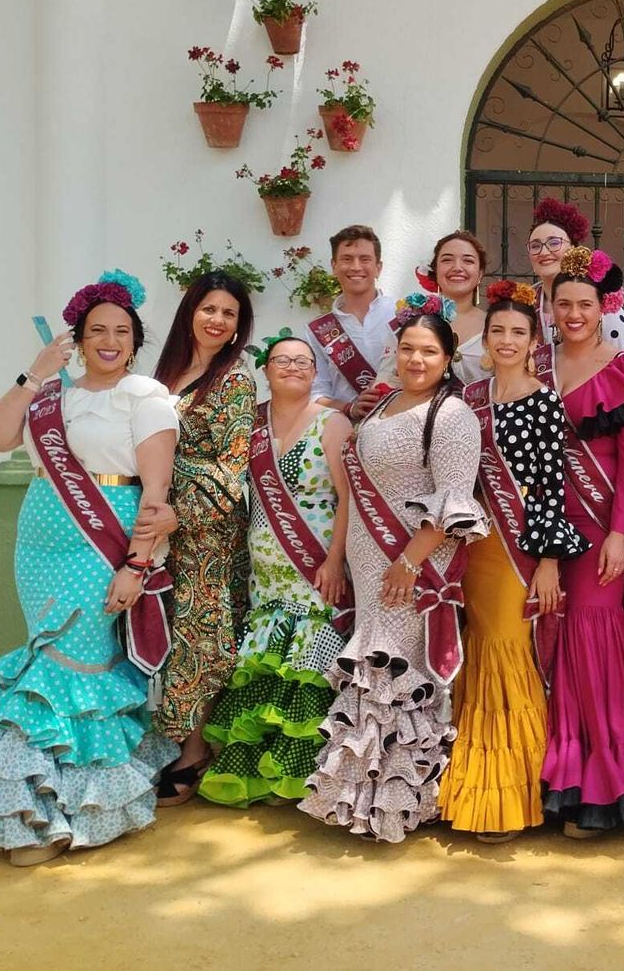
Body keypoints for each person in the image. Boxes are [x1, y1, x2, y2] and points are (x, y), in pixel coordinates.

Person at [0, 270, 179, 865]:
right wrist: (34, 373)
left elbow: (156, 491)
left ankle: (71, 810)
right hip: (39, 537)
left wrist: (135, 565)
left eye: (122, 331)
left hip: (101, 538)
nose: (110, 340)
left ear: (136, 341)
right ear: (77, 338)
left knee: (72, 660)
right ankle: (38, 803)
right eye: (97, 330)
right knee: (41, 653)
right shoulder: (54, 393)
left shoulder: (146, 395)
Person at [300, 296, 489, 843]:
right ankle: (363, 799)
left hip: (412, 564)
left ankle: (405, 804)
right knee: (375, 671)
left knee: (401, 677)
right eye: (407, 348)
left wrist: (409, 561)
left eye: (429, 350)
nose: (416, 359)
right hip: (370, 559)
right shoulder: (383, 406)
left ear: (449, 356)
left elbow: (455, 499)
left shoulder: (451, 415)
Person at [536, 246, 624, 835]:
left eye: (584, 304)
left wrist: (621, 534)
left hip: (600, 528)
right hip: (541, 526)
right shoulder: (535, 364)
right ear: (549, 307)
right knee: (553, 631)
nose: (573, 313)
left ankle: (612, 781)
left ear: (604, 307)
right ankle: (564, 778)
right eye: (563, 303)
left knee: (595, 633)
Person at [440, 281, 587, 842]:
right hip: (470, 546)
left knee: (506, 648)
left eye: (517, 332)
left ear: (534, 342)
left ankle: (513, 791)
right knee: (476, 649)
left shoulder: (543, 399)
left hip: (517, 548)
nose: (505, 339)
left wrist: (550, 562)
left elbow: (553, 487)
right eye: (497, 330)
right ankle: (470, 788)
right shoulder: (465, 399)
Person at [198, 331, 353, 808]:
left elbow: (348, 498)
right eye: (282, 360)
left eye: (303, 361)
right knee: (266, 666)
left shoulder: (333, 423)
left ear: (314, 371)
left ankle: (300, 776)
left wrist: (333, 560)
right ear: (266, 369)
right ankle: (261, 771)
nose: (292, 367)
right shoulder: (251, 425)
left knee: (304, 668)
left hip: (314, 566)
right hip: (264, 571)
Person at [151, 272, 256, 806]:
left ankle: (193, 750)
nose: (217, 320)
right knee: (159, 628)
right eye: (209, 309)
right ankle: (163, 737)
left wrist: (177, 509)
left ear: (239, 327)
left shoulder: (236, 381)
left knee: (200, 636)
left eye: (229, 314)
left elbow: (231, 467)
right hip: (150, 521)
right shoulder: (162, 373)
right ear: (190, 311)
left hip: (205, 531)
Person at [308, 224, 397, 423]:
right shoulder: (317, 331)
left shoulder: (401, 313)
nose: (356, 267)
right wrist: (351, 408)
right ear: (334, 266)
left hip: (399, 424)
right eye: (347, 259)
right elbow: (315, 394)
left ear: (378, 267)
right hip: (344, 433)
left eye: (365, 259)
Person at [526, 197, 624, 349]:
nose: (544, 252)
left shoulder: (602, 304)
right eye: (535, 246)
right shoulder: (523, 302)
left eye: (554, 243)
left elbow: (623, 362)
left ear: (573, 247)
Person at [422, 229, 489, 384]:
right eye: (447, 260)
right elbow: (391, 377)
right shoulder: (415, 321)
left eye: (468, 261)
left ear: (480, 273)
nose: (457, 267)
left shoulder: (495, 325)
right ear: (435, 270)